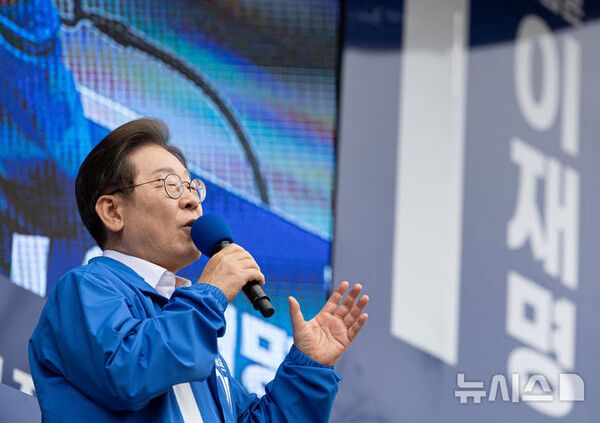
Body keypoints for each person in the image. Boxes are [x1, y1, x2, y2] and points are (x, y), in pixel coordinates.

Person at [29, 118, 369, 422]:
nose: (192, 200)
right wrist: (211, 293)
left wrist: (309, 369)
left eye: (191, 187)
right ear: (113, 212)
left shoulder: (189, 325)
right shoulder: (84, 288)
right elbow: (128, 372)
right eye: (169, 185)